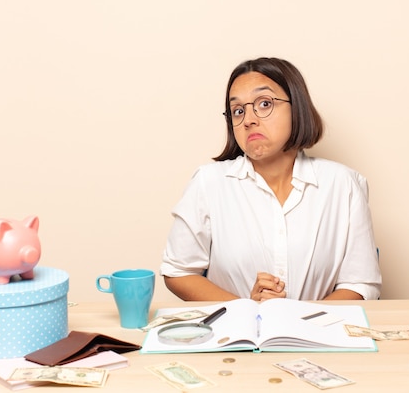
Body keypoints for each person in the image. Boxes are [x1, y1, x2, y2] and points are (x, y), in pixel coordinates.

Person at [161, 57, 381, 302]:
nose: (249, 119)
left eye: (264, 104)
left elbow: (361, 283)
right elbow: (178, 271)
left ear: (297, 107)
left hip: (319, 337)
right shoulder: (208, 183)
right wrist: (246, 309)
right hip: (236, 337)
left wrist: (299, 321)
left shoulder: (344, 184)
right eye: (238, 111)